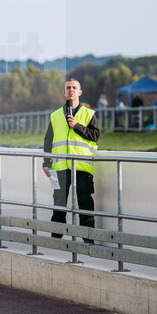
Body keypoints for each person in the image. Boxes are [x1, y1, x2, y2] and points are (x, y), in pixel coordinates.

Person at [42, 79, 100, 242]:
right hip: (59, 167)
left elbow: (95, 136)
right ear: (64, 92)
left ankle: (89, 240)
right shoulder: (55, 116)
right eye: (68, 88)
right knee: (59, 203)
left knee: (85, 203)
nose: (71, 90)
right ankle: (56, 239)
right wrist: (47, 163)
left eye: (74, 88)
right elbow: (48, 142)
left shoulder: (89, 114)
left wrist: (77, 126)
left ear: (80, 92)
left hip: (82, 166)